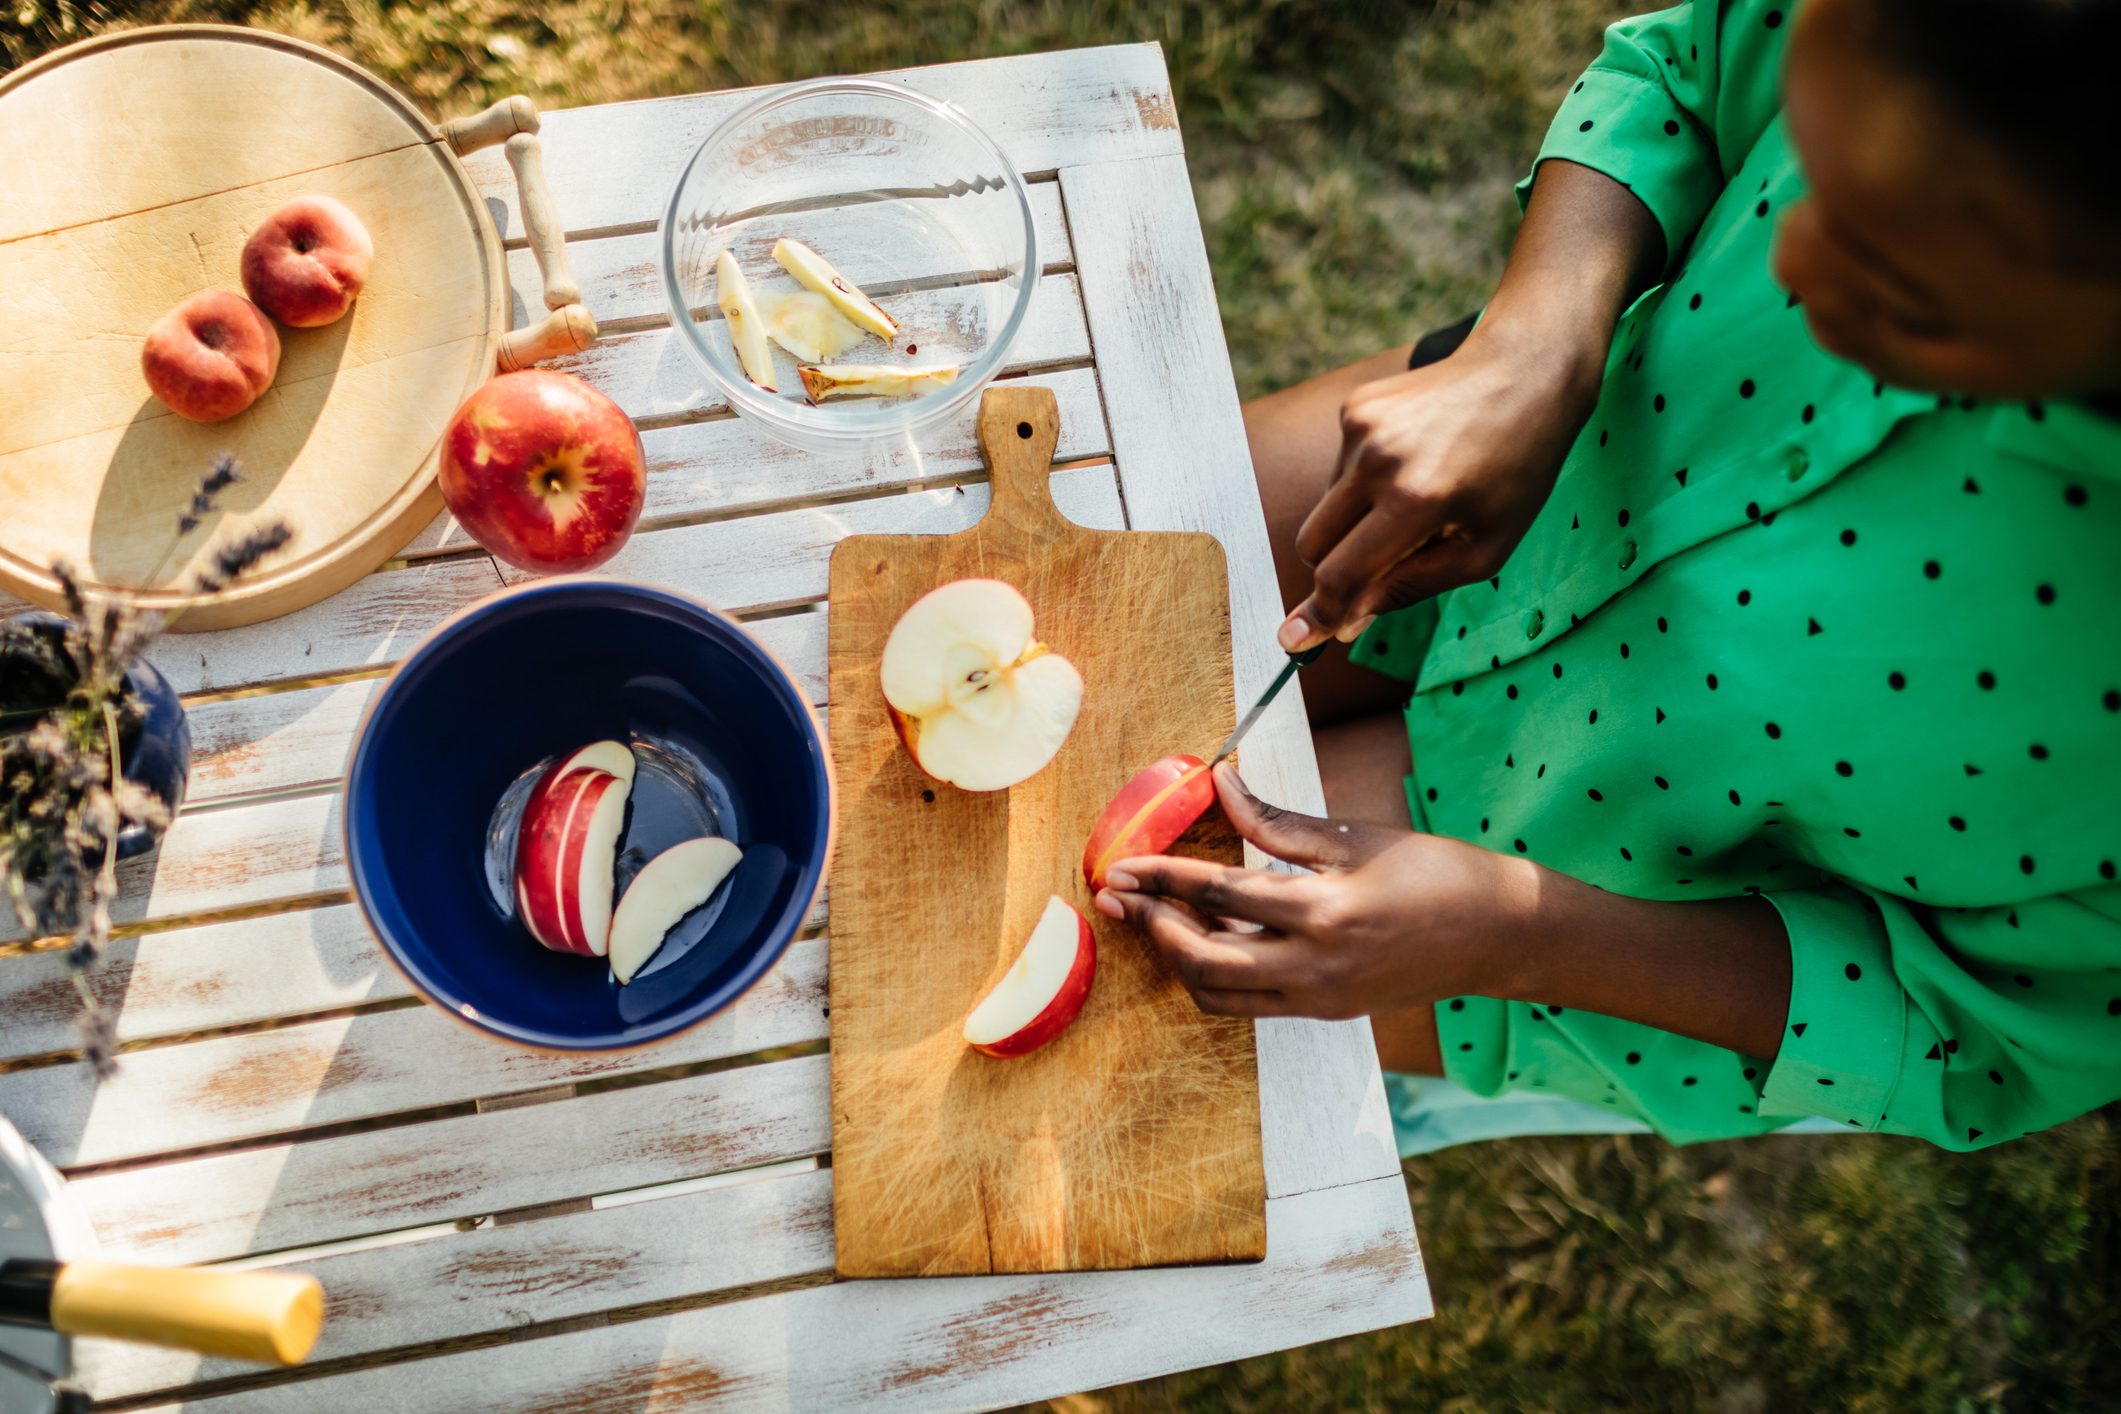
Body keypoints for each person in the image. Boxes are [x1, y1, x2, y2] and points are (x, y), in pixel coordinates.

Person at [1092, 0, 2121, 1150]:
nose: (1788, 258)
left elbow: (1981, 1039)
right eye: (1802, 168)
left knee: (1132, 1001)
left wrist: (1513, 937)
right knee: (1089, 598)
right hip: (1517, 476)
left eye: (1907, 296)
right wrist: (1539, 339)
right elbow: (1686, 61)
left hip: (1586, 864)